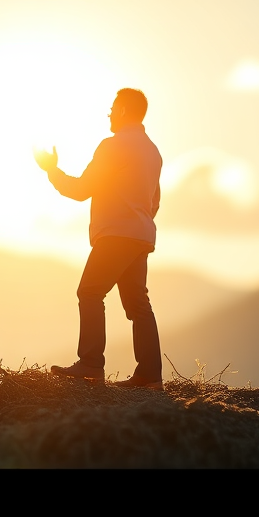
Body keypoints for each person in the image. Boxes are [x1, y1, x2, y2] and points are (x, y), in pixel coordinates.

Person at [34, 88, 164, 389]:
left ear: (122, 110)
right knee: (137, 304)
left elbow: (81, 189)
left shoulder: (113, 146)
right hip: (141, 236)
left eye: (112, 108)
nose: (109, 114)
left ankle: (91, 365)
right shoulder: (152, 151)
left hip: (116, 234)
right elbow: (154, 200)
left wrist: (51, 170)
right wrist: (139, 222)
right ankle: (150, 375)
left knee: (90, 292)